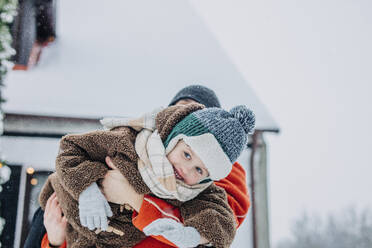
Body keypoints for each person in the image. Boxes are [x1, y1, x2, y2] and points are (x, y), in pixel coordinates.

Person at [24, 85, 252, 248]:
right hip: (74, 225)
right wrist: (54, 240)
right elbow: (73, 152)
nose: (186, 165)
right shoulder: (139, 144)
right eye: (179, 111)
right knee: (49, 206)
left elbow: (214, 228)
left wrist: (133, 198)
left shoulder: (207, 185)